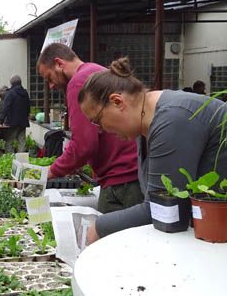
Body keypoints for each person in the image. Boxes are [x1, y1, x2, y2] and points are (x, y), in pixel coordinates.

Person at [78, 57, 227, 243]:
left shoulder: (172, 119)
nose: (101, 130)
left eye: (97, 121)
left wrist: (99, 226)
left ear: (117, 102)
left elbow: (162, 210)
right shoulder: (145, 123)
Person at [37, 43, 142, 213]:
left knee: (104, 235)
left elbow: (84, 144)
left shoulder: (78, 83)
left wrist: (51, 171)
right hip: (133, 170)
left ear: (59, 63)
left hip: (121, 179)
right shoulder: (94, 69)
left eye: (49, 78)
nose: (50, 85)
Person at [0, 75, 31, 153]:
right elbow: (28, 106)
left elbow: (6, 107)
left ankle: (10, 159)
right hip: (23, 121)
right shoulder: (25, 92)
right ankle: (21, 161)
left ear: (11, 83)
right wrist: (27, 116)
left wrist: (0, 121)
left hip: (12, 121)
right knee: (22, 141)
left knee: (9, 141)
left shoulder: (10, 93)